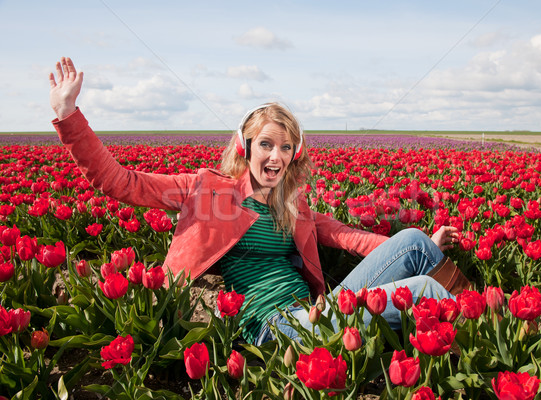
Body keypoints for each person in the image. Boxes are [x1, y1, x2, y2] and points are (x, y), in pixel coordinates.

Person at [49, 57, 469, 345]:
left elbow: (346, 237)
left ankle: (483, 316)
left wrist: (429, 243)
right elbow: (119, 182)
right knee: (424, 289)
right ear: (244, 146)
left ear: (294, 155)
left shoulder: (293, 205)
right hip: (273, 328)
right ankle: (483, 336)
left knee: (414, 240)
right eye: (266, 144)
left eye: (285, 148)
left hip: (313, 311)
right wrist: (69, 117)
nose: (276, 156)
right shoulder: (204, 190)